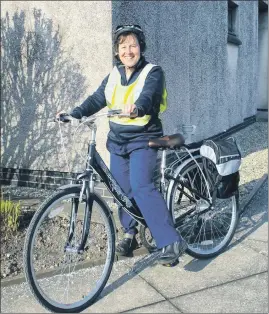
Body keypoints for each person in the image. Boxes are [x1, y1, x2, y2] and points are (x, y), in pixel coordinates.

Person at [57, 24, 187, 265]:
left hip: (143, 139)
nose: (128, 50)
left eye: (133, 45)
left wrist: (137, 107)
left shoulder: (153, 72)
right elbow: (97, 98)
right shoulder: (114, 74)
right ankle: (130, 233)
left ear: (141, 47)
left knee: (141, 187)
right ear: (117, 51)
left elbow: (149, 97)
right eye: (123, 46)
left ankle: (171, 241)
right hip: (117, 142)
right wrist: (74, 114)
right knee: (120, 191)